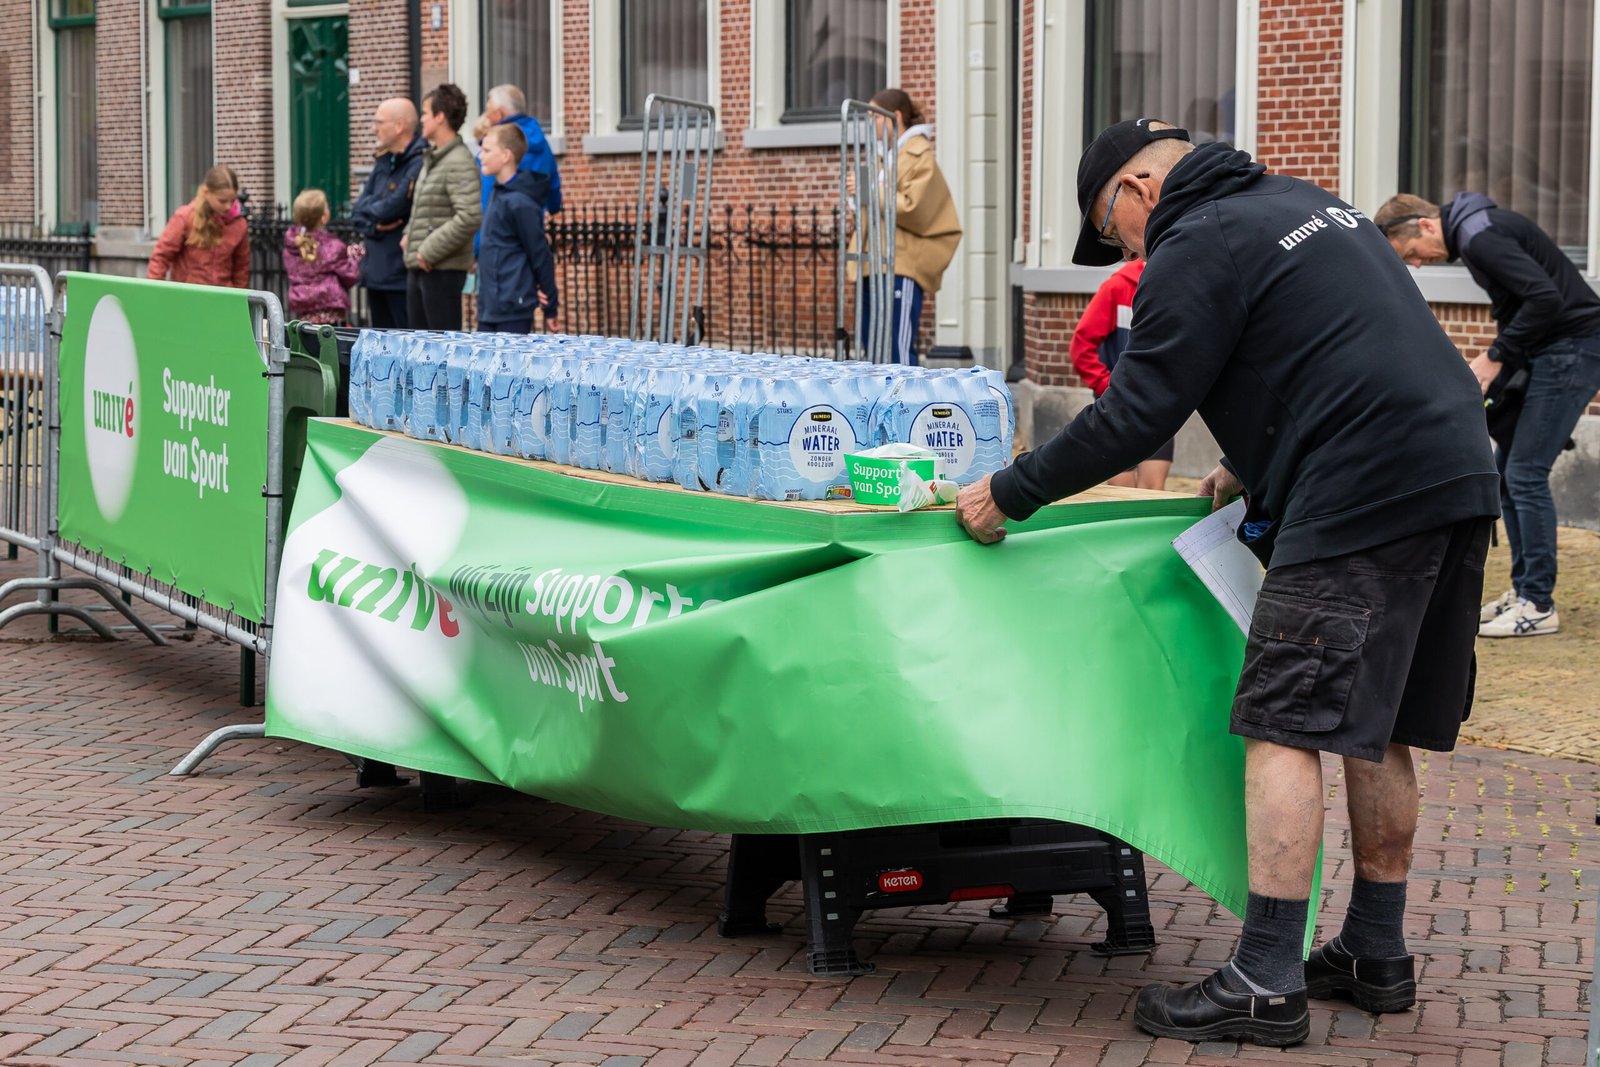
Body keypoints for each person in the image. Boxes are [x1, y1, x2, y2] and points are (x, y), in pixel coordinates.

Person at [955, 120, 1500, 1046]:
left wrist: (1011, 491)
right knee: (1381, 725)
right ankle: (1375, 949)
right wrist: (1253, 464)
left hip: (1358, 493)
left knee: (1283, 725)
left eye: (1113, 228)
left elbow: (1138, 411)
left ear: (1136, 189)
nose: (1126, 249)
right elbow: (1343, 347)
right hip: (1452, 473)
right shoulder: (1308, 202)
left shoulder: (1194, 238)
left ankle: (1265, 978)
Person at [1374, 193, 1600, 639]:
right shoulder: (1476, 231)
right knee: (1507, 472)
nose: (1419, 266)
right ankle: (1524, 590)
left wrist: (1496, 357)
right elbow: (1521, 304)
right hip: (1554, 351)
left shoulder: (1480, 238)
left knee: (1526, 472)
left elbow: (1545, 299)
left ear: (1423, 226)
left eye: (1413, 256)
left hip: (1573, 349)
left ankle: (1538, 603)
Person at [853, 89, 962, 365]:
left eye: (873, 116)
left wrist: (870, 191)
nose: (869, 123)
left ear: (895, 117)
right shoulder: (883, 158)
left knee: (898, 349)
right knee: (872, 345)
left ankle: (906, 407)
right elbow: (875, 208)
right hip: (874, 262)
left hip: (902, 263)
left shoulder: (918, 154)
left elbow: (913, 207)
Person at [1069, 258, 1173, 489]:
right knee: (1122, 495)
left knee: (1153, 494)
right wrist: (1107, 387)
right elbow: (1081, 346)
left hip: (1160, 408)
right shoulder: (1116, 287)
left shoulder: (1177, 286)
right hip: (1116, 410)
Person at [401, 84, 482, 332]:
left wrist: (428, 250)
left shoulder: (458, 161)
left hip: (441, 271)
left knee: (441, 355)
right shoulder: (435, 157)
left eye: (425, 113)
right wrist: (408, 235)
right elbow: (427, 208)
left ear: (440, 117)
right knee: (420, 350)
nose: (421, 119)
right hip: (422, 267)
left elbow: (470, 216)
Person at [476, 125, 559, 334]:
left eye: (486, 151)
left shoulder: (521, 203)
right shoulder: (497, 193)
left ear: (505, 156)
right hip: (489, 306)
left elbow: (539, 252)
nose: (480, 156)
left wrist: (550, 306)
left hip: (512, 307)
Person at [350, 98, 425, 329]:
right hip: (375, 274)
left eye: (379, 122)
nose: (374, 128)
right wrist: (374, 225)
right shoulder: (383, 162)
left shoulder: (418, 162)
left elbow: (392, 207)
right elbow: (356, 212)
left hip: (400, 275)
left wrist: (373, 212)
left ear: (399, 126)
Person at [147, 165, 250, 288]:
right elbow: (160, 257)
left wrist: (239, 299)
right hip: (188, 296)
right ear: (207, 193)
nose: (228, 206)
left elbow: (241, 268)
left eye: (232, 201)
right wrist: (156, 293)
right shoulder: (184, 217)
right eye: (222, 201)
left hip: (223, 297)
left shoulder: (239, 224)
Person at [478, 83, 562, 216]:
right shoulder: (542, 144)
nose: (487, 116)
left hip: (498, 226)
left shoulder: (497, 145)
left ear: (500, 114)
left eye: (489, 110)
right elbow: (554, 194)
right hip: (530, 225)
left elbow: (485, 194)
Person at [283, 189, 363, 326]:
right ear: (324, 216)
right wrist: (354, 256)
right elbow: (350, 275)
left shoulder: (292, 245)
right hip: (331, 311)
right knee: (330, 346)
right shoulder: (332, 246)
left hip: (303, 311)